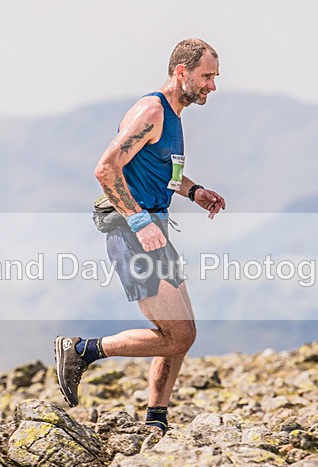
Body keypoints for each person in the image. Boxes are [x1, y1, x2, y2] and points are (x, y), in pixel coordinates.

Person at [54, 38, 226, 433]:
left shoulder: (175, 116)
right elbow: (105, 168)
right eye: (207, 76)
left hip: (154, 227)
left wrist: (196, 192)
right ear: (181, 72)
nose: (212, 86)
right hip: (134, 231)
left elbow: (165, 173)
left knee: (182, 334)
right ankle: (82, 350)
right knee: (177, 334)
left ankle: (156, 420)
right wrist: (138, 222)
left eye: (215, 77)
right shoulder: (152, 111)